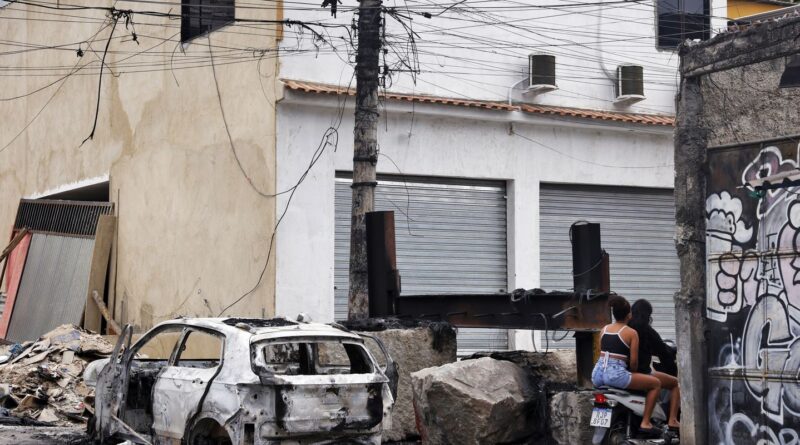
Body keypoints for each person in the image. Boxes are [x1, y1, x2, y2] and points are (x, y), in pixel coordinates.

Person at [591, 296, 662, 435]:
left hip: (597, 374)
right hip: (615, 375)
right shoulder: (631, 333)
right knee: (656, 384)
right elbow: (634, 362)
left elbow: (602, 353)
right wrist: (634, 372)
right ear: (629, 314)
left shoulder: (604, 329)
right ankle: (646, 422)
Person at [628, 299, 680, 431]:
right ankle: (673, 420)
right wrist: (673, 369)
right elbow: (663, 353)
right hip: (640, 373)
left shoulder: (624, 328)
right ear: (648, 315)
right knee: (675, 384)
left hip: (622, 373)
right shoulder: (646, 331)